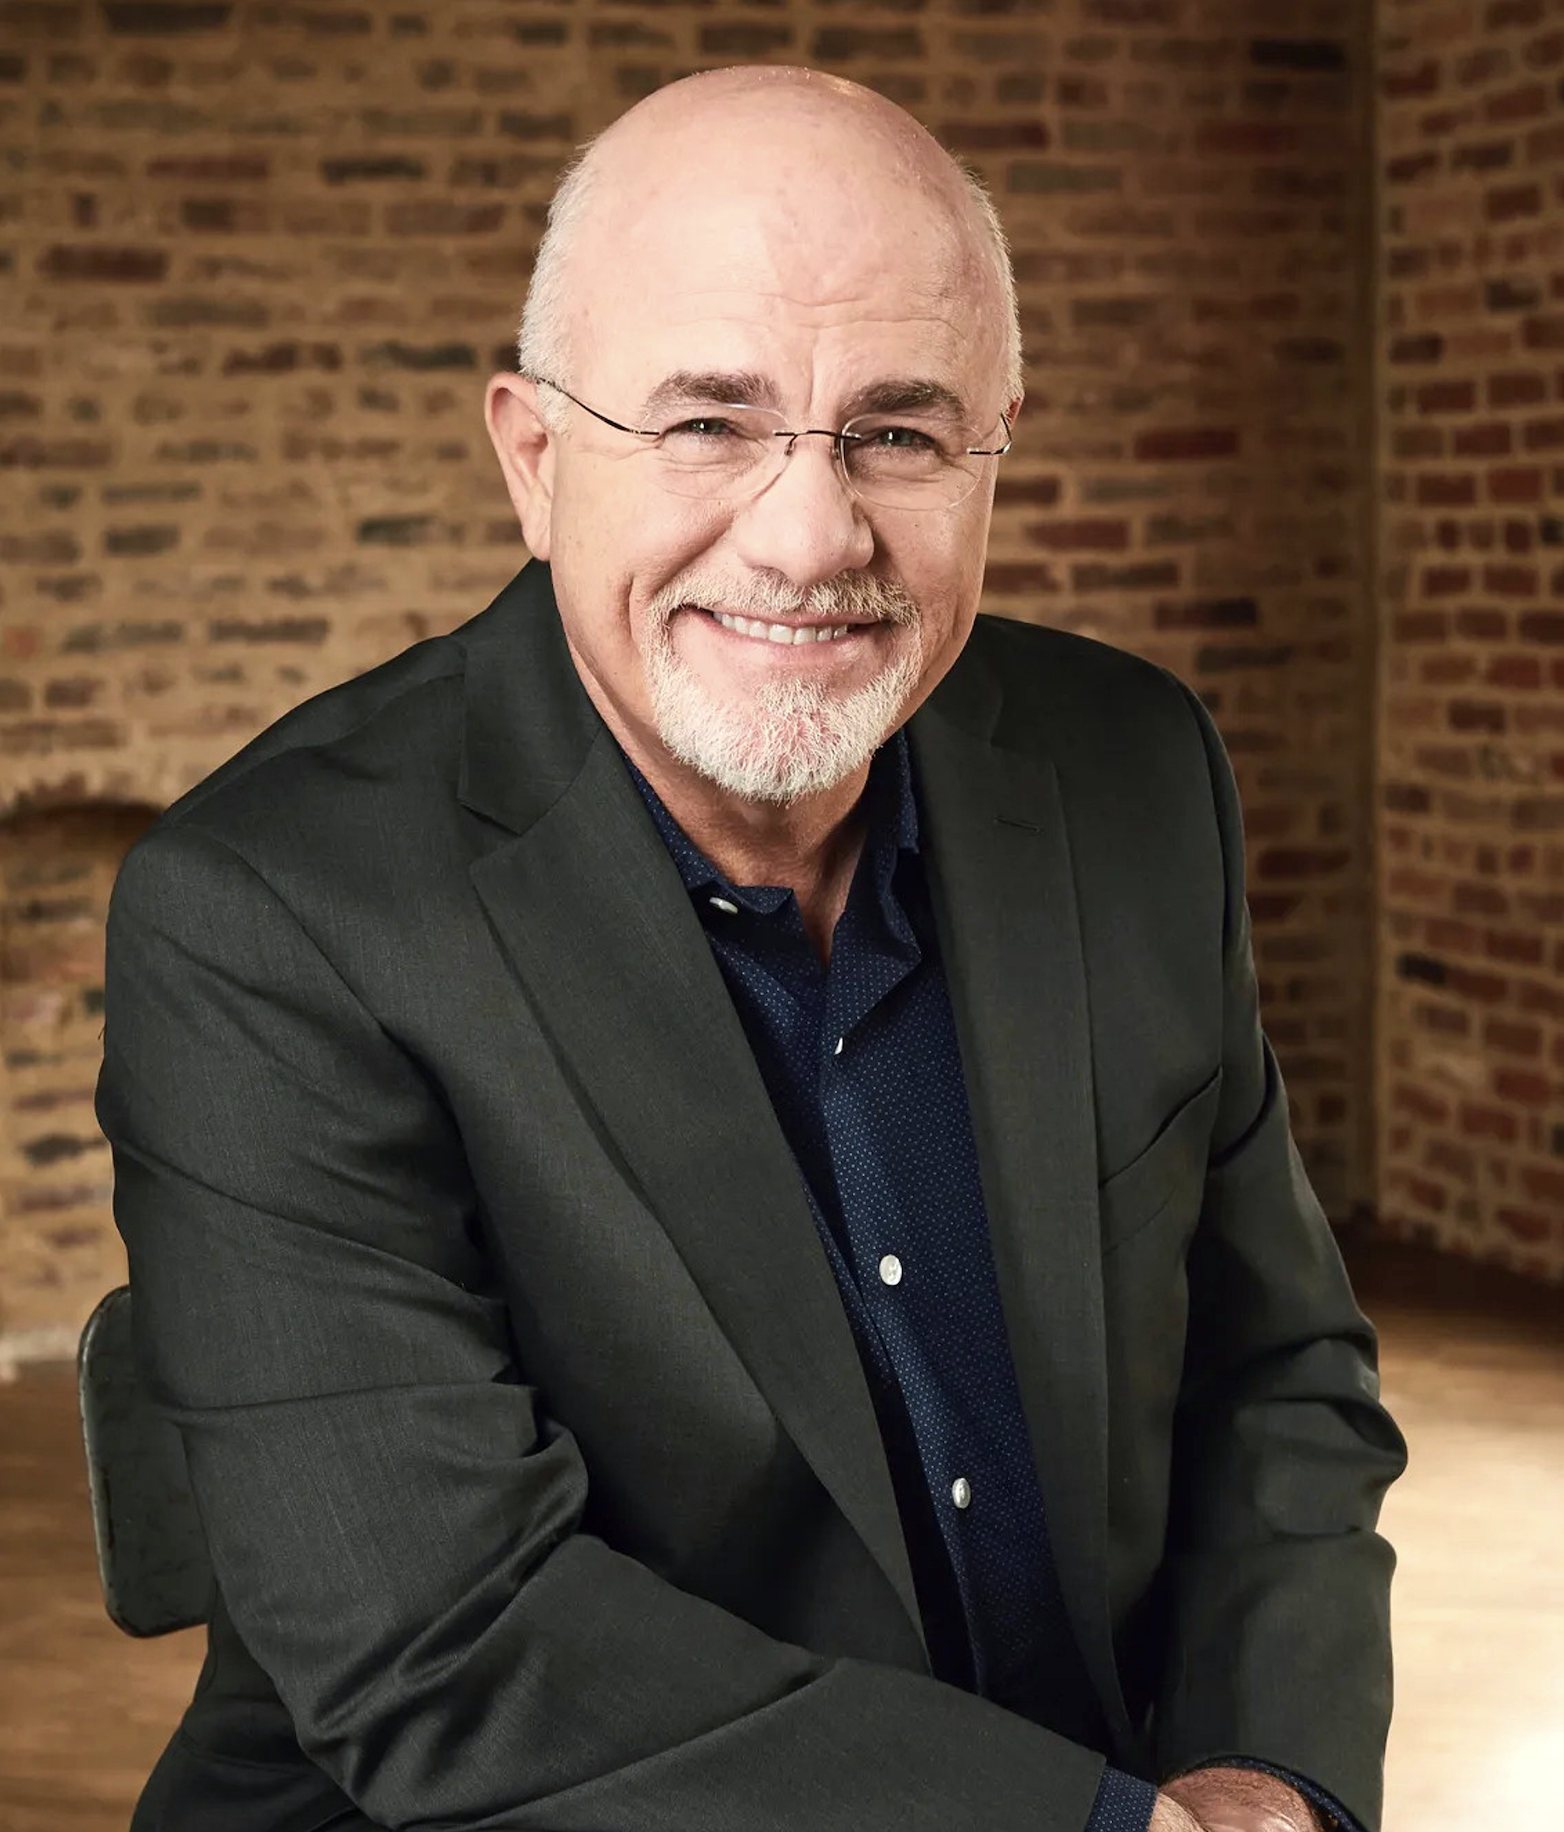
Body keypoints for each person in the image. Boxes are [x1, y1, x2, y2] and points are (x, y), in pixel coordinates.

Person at [97, 65, 1407, 1832]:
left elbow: (1277, 1376)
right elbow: (453, 1651)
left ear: (997, 447)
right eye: (709, 422)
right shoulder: (270, 914)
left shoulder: (1133, 769)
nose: (809, 538)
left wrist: (1266, 1784)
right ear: (535, 460)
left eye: (899, 433)